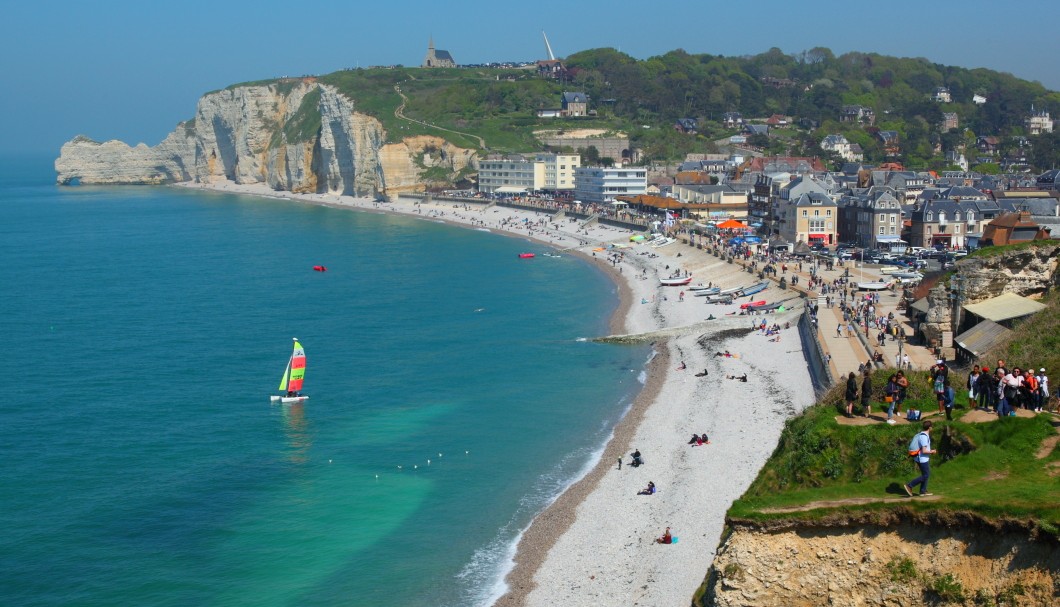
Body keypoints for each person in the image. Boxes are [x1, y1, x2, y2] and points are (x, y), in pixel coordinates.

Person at [904, 421, 936, 497]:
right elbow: (924, 451)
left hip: (921, 458)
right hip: (922, 459)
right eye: (932, 426)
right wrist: (932, 451)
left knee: (926, 474)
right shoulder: (924, 437)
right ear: (929, 427)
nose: (932, 427)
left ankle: (923, 491)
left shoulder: (922, 434)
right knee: (926, 475)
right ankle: (909, 485)